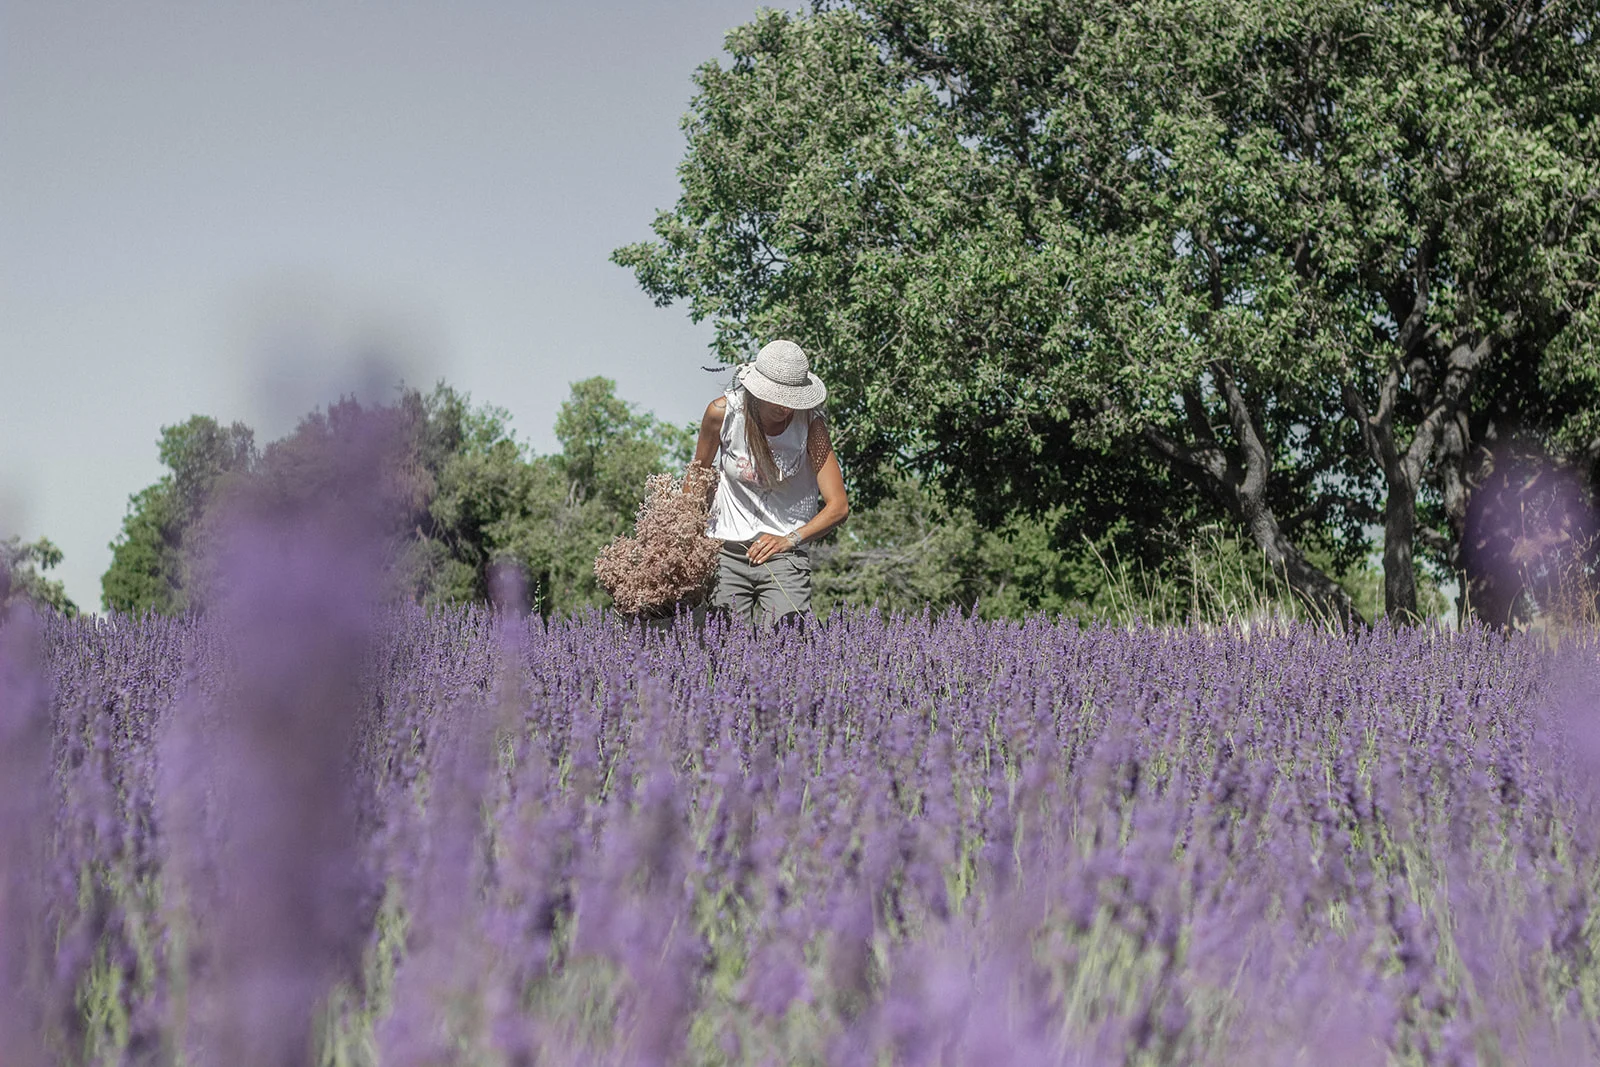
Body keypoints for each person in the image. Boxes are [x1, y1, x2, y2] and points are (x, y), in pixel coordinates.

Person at [689, 339, 849, 626]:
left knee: (788, 642)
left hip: (784, 555)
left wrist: (790, 539)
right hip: (725, 551)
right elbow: (696, 479)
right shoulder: (722, 414)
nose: (785, 407)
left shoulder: (811, 426)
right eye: (777, 396)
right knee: (722, 644)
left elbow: (838, 507)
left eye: (791, 398)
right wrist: (684, 541)